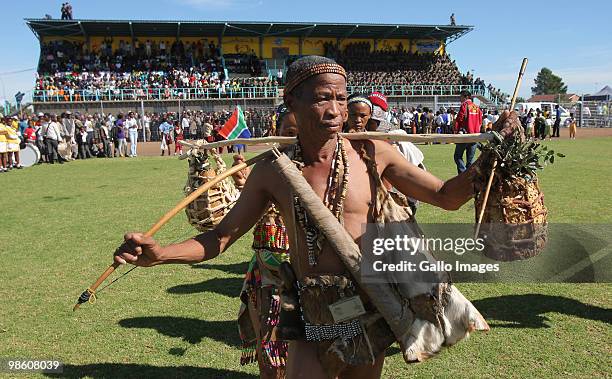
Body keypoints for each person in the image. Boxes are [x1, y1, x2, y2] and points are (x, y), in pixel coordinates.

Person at [114, 56, 513, 379]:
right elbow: (219, 239)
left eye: (341, 98)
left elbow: (445, 197)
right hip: (311, 304)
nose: (336, 110)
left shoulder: (373, 152)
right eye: (323, 98)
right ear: (293, 102)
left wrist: (490, 159)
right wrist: (160, 254)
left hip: (369, 301)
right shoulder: (273, 170)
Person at [233, 104, 297, 378]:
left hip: (310, 276)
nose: (295, 140)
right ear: (276, 132)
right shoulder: (265, 170)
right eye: (289, 132)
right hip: (267, 274)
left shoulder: (326, 170)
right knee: (269, 347)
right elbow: (228, 223)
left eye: (302, 132)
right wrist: (242, 183)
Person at [453, 91, 482, 173]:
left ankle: (463, 174)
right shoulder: (476, 107)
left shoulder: (464, 105)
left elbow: (460, 119)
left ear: (465, 97)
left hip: (465, 135)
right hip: (475, 136)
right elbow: (480, 122)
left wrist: (456, 131)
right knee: (470, 160)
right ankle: (468, 178)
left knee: (457, 156)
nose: (460, 98)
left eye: (461, 96)